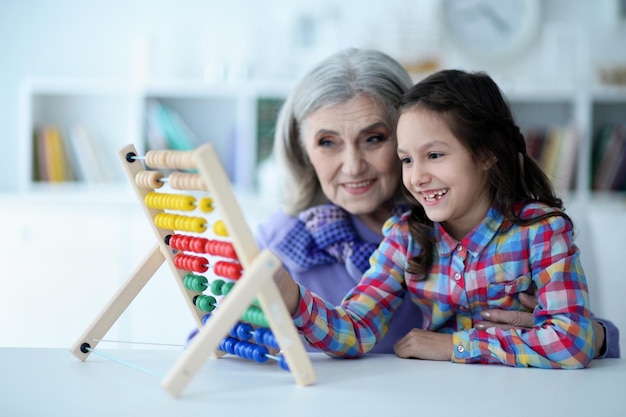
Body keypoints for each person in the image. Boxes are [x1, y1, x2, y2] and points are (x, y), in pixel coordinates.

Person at [256, 49, 618, 358]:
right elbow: (355, 328)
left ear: (486, 153)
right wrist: (294, 299)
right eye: (408, 160)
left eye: (433, 154)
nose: (416, 176)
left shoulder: (541, 231)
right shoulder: (404, 237)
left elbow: (576, 340)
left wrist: (455, 346)